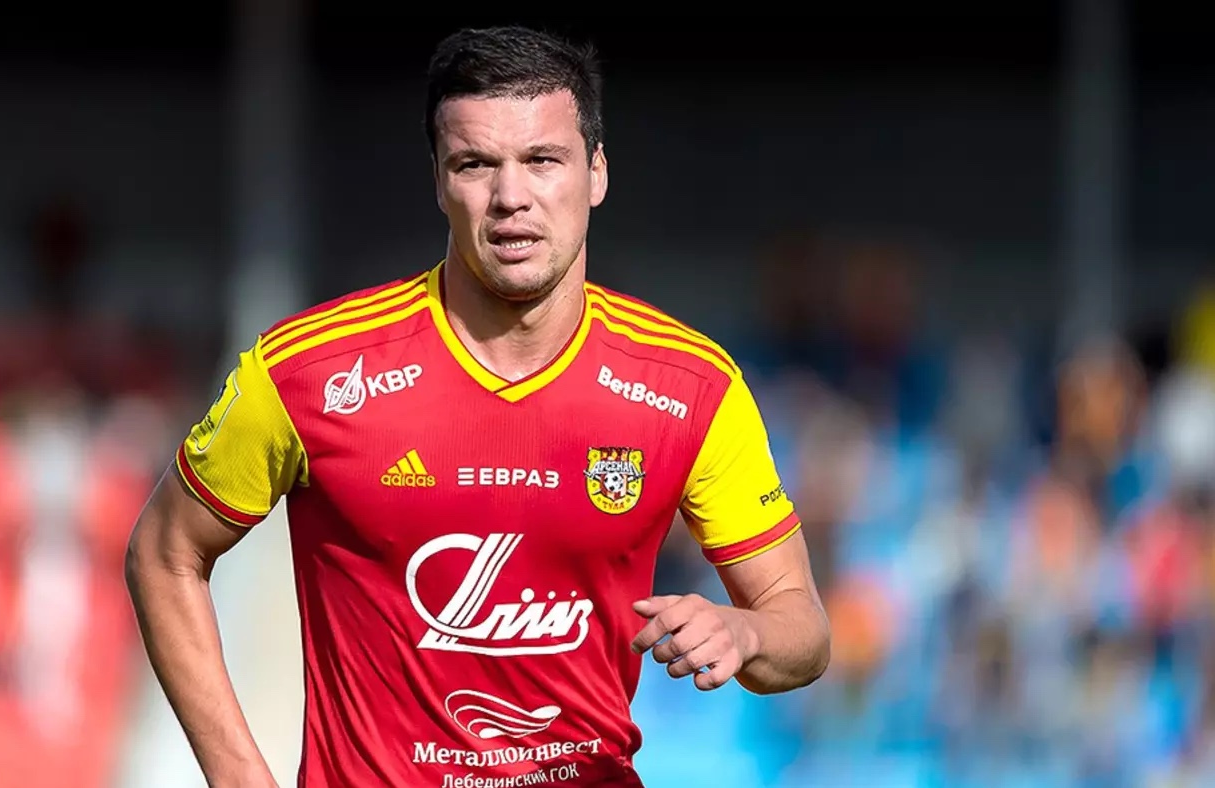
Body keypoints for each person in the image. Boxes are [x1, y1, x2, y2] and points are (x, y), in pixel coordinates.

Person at [125, 24, 830, 788]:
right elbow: (164, 554)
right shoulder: (308, 373)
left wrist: (745, 632)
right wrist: (240, 777)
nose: (510, 198)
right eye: (475, 164)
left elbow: (802, 628)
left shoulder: (690, 386)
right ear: (438, 180)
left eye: (543, 160)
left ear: (596, 172)